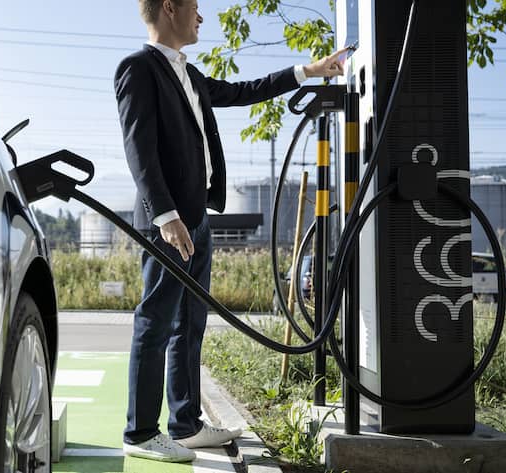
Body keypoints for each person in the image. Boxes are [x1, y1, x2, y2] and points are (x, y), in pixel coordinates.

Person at [115, 0, 346, 463]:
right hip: (169, 224)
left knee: (190, 323)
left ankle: (185, 424)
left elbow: (245, 91)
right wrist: (165, 216)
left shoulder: (190, 74)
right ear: (169, 8)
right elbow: (139, 148)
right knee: (156, 320)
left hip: (197, 218)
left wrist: (309, 70)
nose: (201, 18)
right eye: (196, 9)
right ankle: (140, 432)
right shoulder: (138, 69)